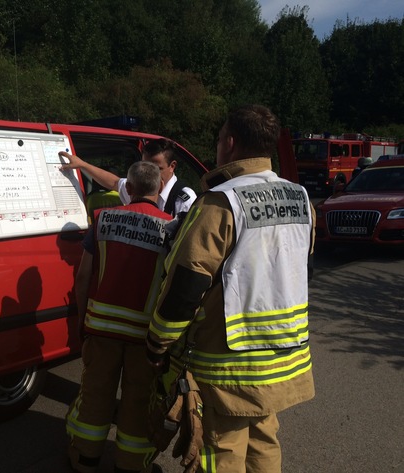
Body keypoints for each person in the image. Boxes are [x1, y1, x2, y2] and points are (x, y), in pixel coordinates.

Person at [146, 104, 316, 473]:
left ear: (231, 143)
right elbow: (299, 269)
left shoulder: (220, 203)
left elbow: (184, 289)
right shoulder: (301, 199)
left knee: (218, 451)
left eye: (219, 138)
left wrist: (158, 342)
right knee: (263, 443)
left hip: (229, 367)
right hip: (283, 359)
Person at [67, 161, 172, 473]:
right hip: (146, 338)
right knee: (138, 403)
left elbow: (83, 277)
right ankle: (130, 465)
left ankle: (85, 459)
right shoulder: (171, 227)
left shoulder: (102, 219)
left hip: (100, 330)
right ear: (161, 187)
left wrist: (82, 322)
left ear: (130, 187)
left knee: (94, 395)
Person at [59, 138, 197, 218]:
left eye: (157, 169)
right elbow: (114, 182)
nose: (149, 173)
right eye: (145, 165)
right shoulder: (140, 186)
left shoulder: (184, 200)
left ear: (172, 166)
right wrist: (82, 164)